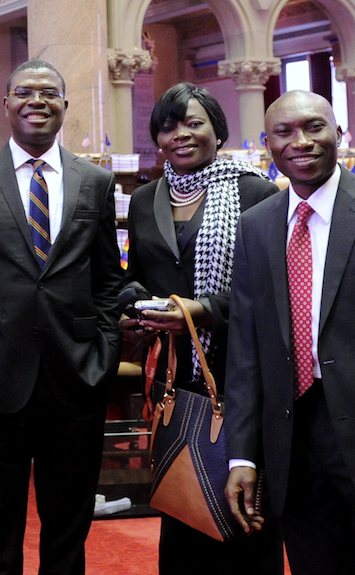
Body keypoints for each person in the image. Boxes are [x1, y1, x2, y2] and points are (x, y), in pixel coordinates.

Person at [0, 59, 125, 575]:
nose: (36, 100)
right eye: (24, 91)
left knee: (69, 527)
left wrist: (105, 352)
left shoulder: (96, 181)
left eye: (48, 92)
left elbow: (108, 278)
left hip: (77, 376)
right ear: (6, 104)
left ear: (65, 104)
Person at [224, 90, 355, 575]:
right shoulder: (256, 226)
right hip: (293, 443)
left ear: (339, 134)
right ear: (266, 145)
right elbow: (246, 351)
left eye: (314, 127)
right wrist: (241, 456)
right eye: (285, 132)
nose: (301, 142)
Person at [117, 82, 280, 574]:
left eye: (194, 123)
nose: (181, 135)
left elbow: (273, 292)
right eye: (169, 126)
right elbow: (133, 278)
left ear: (218, 131)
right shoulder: (146, 198)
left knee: (243, 507)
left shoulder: (254, 191)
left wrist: (203, 309)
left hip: (240, 372)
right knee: (184, 498)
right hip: (175, 375)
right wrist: (135, 309)